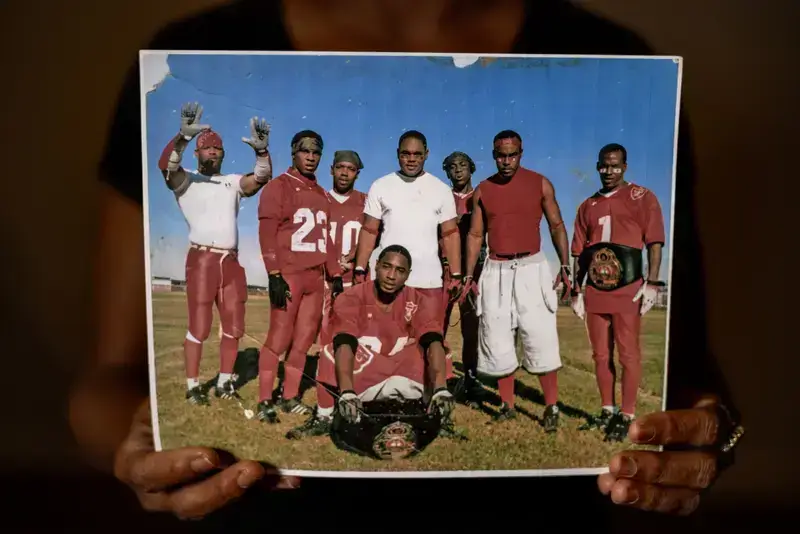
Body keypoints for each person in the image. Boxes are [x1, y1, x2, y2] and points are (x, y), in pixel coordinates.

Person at [71, 0, 744, 527]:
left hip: (529, 518)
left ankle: (456, 401)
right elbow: (103, 384)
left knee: (453, 346)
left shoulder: (617, 60)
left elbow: (694, 374)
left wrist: (709, 435)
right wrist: (132, 451)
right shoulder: (200, 49)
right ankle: (303, 402)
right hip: (270, 514)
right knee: (311, 341)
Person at [156, 102, 272, 405]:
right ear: (197, 152)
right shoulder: (187, 181)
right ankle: (193, 385)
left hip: (230, 261)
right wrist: (182, 137)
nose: (212, 152)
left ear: (223, 153)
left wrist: (261, 152)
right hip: (203, 259)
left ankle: (223, 382)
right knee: (200, 326)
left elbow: (260, 177)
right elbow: (165, 168)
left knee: (234, 326)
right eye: (206, 147)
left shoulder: (232, 181)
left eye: (217, 148)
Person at [463, 130, 569, 431]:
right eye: (500, 155)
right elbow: (474, 235)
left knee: (539, 336)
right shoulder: (483, 189)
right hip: (495, 268)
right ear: (493, 153)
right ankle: (507, 405)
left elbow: (557, 224)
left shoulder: (540, 183)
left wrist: (565, 265)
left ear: (521, 153)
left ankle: (551, 407)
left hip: (532, 267)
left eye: (512, 155)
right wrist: (470, 275)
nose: (506, 161)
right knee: (496, 337)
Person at [319, 244, 455, 458]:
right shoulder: (352, 296)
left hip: (402, 367)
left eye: (400, 271)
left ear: (408, 275)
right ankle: (323, 416)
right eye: (386, 267)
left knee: (440, 350)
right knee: (329, 352)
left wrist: (440, 386)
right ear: (375, 267)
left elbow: (433, 339)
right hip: (368, 369)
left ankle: (436, 414)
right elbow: (344, 341)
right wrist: (346, 391)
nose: (391, 276)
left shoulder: (419, 300)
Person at [570, 143, 667, 442]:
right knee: (600, 355)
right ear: (597, 166)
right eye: (603, 166)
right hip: (596, 290)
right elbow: (580, 253)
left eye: (614, 166)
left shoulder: (642, 196)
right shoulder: (587, 205)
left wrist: (651, 283)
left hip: (628, 289)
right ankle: (607, 410)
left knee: (628, 354)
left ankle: (626, 414)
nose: (608, 172)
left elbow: (654, 242)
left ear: (625, 166)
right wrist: (576, 290)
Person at [352, 131, 463, 390]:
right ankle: (382, 397)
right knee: (387, 341)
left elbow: (450, 234)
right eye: (405, 153)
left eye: (416, 154)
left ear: (426, 155)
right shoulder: (381, 185)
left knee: (431, 341)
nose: (411, 159)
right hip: (389, 281)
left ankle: (436, 400)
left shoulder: (440, 189)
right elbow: (369, 230)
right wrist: (360, 265)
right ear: (398, 154)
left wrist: (456, 273)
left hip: (428, 280)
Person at [256, 130, 344, 423]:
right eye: (305, 151)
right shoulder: (278, 186)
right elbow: (267, 231)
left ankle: (290, 395)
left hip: (315, 278)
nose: (310, 157)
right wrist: (273, 273)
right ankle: (264, 399)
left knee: (304, 342)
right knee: (278, 338)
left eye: (316, 153)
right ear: (294, 152)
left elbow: (326, 238)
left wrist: (335, 273)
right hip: (290, 274)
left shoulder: (321, 194)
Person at [287, 149, 367, 439]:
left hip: (356, 284)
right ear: (332, 169)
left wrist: (356, 260)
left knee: (357, 347)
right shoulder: (319, 198)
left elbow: (375, 237)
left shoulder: (366, 202)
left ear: (358, 173)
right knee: (325, 347)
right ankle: (323, 410)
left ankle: (352, 404)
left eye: (351, 169)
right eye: (341, 168)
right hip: (325, 283)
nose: (345, 173)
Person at [440, 151, 486, 406]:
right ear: (446, 171)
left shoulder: (481, 195)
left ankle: (470, 378)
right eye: (452, 167)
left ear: (472, 168)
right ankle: (443, 378)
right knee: (439, 326)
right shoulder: (440, 196)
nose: (458, 170)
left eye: (463, 165)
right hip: (444, 269)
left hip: (473, 270)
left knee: (471, 328)